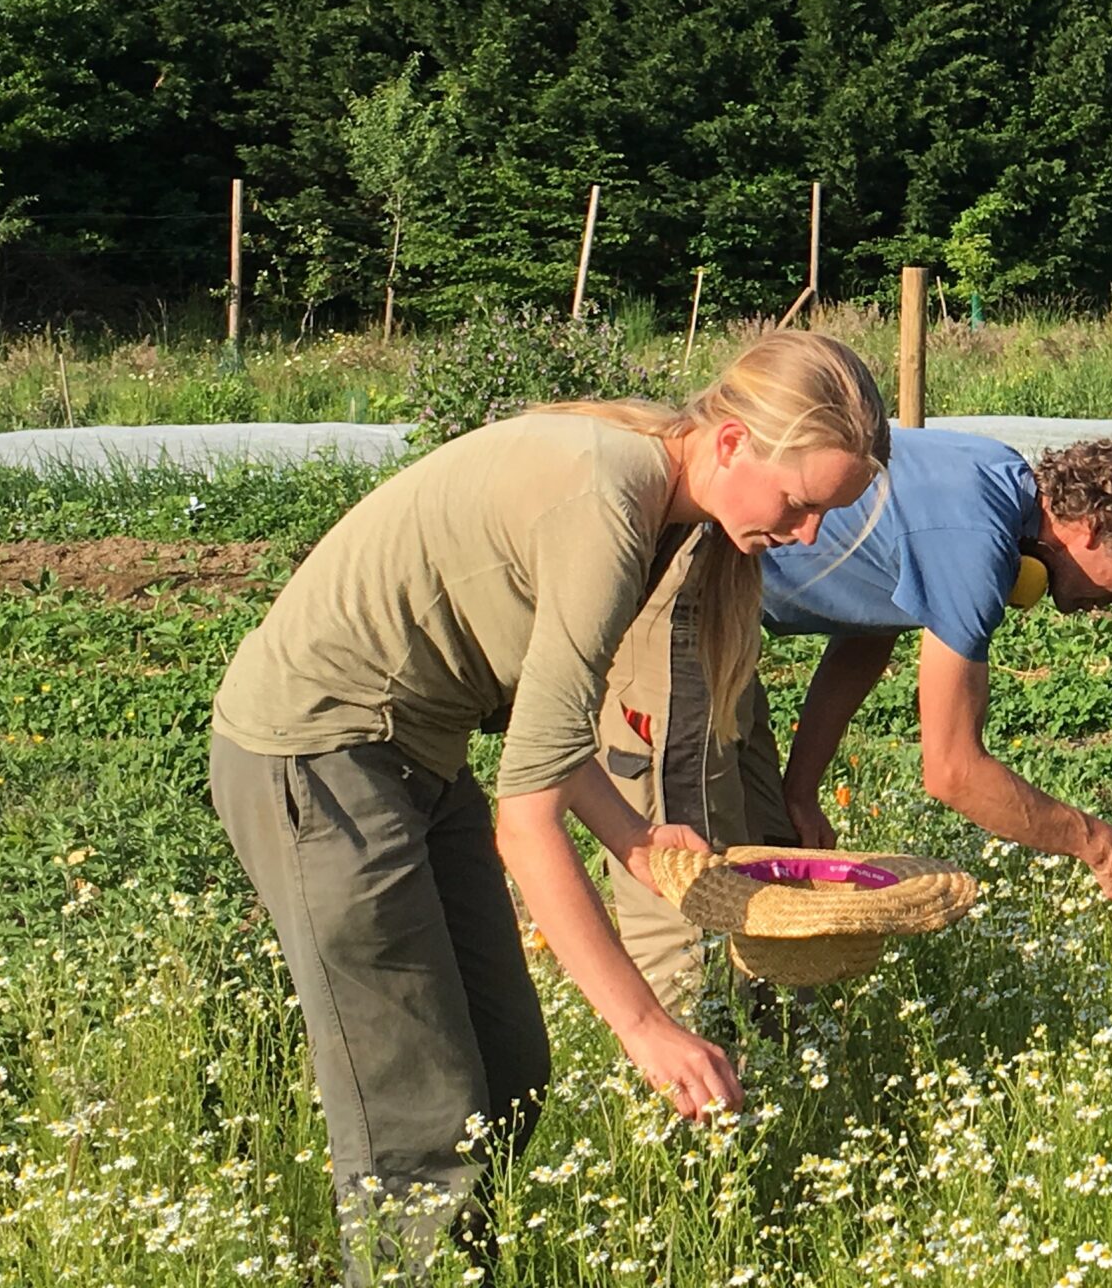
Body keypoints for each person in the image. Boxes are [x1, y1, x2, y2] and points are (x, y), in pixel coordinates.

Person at [208, 331, 890, 1283]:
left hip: (417, 754)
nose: (807, 535)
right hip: (320, 756)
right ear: (732, 443)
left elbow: (549, 737)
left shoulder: (664, 501)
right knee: (421, 1124)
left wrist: (639, 840)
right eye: (801, 503)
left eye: (828, 514)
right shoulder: (606, 507)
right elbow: (525, 822)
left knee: (508, 1078)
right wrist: (647, 1027)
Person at [602, 429, 1112, 1007]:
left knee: (774, 858)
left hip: (723, 613)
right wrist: (1101, 846)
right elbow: (954, 771)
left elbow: (870, 628)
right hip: (682, 594)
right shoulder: (977, 539)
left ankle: (770, 1061)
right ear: (1094, 529)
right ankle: (686, 1073)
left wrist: (802, 789)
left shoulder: (997, 479)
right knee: (691, 872)